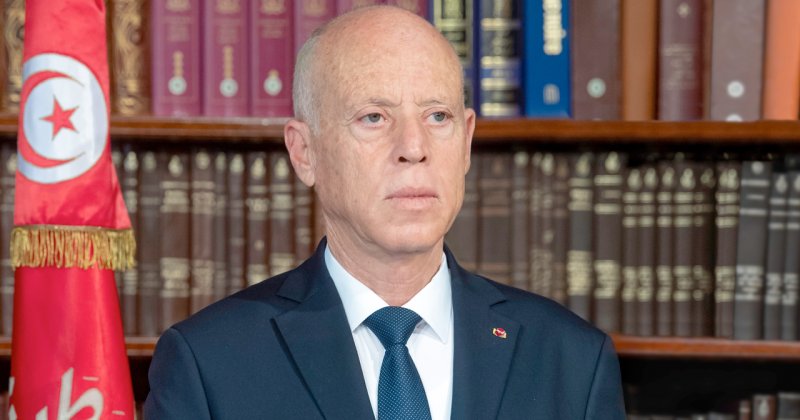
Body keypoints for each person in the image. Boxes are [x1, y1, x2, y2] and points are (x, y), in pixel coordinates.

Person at [144, 5, 626, 419]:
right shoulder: (209, 363)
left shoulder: (573, 361)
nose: (414, 147)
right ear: (305, 152)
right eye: (373, 117)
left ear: (466, 143)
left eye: (438, 116)